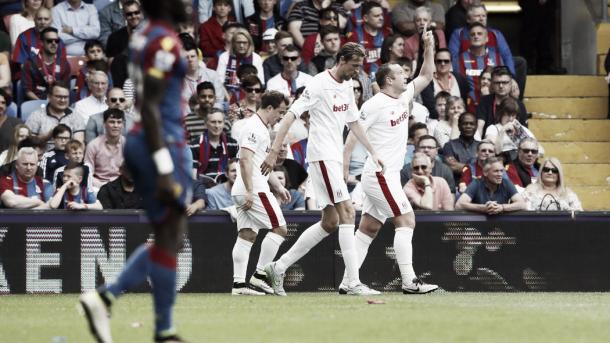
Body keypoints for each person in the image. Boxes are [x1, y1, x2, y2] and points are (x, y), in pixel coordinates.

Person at [79, 1, 193, 341]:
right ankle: (113, 300)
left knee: (169, 236)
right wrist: (163, 169)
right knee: (171, 235)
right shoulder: (164, 42)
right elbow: (154, 108)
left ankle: (158, 327)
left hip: (149, 140)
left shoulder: (145, 35)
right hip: (161, 143)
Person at [261, 43, 384, 296]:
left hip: (333, 158)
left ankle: (277, 267)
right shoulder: (318, 84)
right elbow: (290, 116)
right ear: (341, 60)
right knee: (348, 212)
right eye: (354, 65)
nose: (357, 71)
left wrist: (372, 151)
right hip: (322, 157)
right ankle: (352, 281)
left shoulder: (349, 85)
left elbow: (353, 122)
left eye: (360, 66)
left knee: (330, 222)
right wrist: (274, 150)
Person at [340, 29, 439, 295]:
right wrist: (344, 172)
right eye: (400, 72)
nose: (406, 74)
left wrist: (428, 47)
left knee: (369, 228)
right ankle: (410, 282)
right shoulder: (374, 105)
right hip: (380, 174)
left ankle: (348, 281)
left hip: (389, 175)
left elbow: (427, 75)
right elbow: (351, 139)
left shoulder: (403, 96)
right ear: (388, 80)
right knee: (406, 220)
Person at [230, 91, 290, 295]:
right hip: (253, 189)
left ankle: (238, 285)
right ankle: (260, 275)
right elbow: (245, 159)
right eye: (280, 112)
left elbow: (261, 165)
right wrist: (249, 190)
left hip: (246, 188)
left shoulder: (260, 127)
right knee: (280, 229)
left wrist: (278, 186)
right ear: (270, 108)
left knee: (247, 235)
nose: (280, 117)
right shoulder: (254, 127)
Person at [454, 22, 503, 112]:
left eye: (479, 34)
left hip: (495, 102)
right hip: (469, 103)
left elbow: (502, 80)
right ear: (469, 39)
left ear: (486, 38)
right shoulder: (460, 59)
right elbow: (459, 84)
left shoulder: (496, 57)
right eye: (473, 34)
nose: (476, 36)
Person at [456, 156, 526, 214]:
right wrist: (483, 208)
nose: (500, 174)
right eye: (496, 171)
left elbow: (522, 204)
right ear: (485, 172)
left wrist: (502, 207)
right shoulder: (476, 183)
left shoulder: (506, 183)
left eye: (501, 171)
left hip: (501, 225)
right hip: (479, 225)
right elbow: (459, 205)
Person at [26, 81, 85, 149]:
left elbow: (78, 144)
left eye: (65, 97)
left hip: (68, 156)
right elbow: (28, 142)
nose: (62, 100)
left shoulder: (76, 116)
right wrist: (47, 136)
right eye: (59, 97)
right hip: (43, 156)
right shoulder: (36, 115)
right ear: (49, 97)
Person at [476, 66, 528, 138]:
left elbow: (524, 132)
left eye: (504, 82)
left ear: (511, 83)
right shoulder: (484, 101)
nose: (501, 86)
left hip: (512, 144)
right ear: (492, 84)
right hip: (489, 144)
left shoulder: (519, 105)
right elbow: (479, 128)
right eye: (497, 83)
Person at [216, 28, 265, 103]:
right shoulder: (224, 56)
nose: (241, 45)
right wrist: (229, 99)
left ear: (249, 43)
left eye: (244, 42)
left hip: (251, 97)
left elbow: (260, 83)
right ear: (233, 43)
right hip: (228, 96)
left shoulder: (256, 58)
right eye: (238, 42)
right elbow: (219, 82)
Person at [484, 97, 540, 162]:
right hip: (501, 163)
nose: (510, 119)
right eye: (508, 115)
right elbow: (496, 151)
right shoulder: (492, 129)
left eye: (513, 115)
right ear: (501, 114)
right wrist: (502, 131)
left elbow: (540, 151)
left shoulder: (521, 129)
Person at [180, 34, 225, 115]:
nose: (190, 60)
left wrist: (210, 115)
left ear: (198, 57)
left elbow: (219, 101)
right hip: (189, 120)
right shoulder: (178, 80)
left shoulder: (212, 75)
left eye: (193, 56)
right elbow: (181, 105)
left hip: (212, 117)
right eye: (186, 58)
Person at [22, 27, 71, 100]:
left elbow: (66, 88)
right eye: (49, 41)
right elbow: (28, 91)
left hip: (59, 103)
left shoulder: (64, 63)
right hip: (37, 103)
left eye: (56, 41)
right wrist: (43, 103)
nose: (54, 43)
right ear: (41, 42)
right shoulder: (30, 64)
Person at [190, 108, 239, 180]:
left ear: (224, 124)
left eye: (220, 122)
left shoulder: (233, 144)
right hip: (203, 187)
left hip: (227, 186)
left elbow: (236, 171)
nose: (217, 126)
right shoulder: (194, 145)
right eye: (213, 122)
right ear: (206, 124)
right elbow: (193, 176)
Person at [420, 48, 469, 118]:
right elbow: (429, 107)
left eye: (446, 61)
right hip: (436, 122)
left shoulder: (460, 79)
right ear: (435, 63)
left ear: (451, 62)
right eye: (439, 61)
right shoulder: (428, 81)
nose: (443, 64)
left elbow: (464, 104)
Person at [347, 1, 390, 76]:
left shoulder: (387, 34)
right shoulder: (354, 36)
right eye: (377, 16)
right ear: (365, 18)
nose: (381, 18)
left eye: (381, 15)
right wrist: (368, 81)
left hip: (385, 78)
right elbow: (352, 63)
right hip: (362, 79)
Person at [403, 6, 446, 75]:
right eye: (418, 20)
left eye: (425, 20)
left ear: (430, 22)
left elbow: (443, 56)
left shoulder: (439, 35)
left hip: (439, 72)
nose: (422, 23)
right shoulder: (409, 42)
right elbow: (408, 67)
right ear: (414, 23)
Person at [443, 112, 480, 180]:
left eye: (472, 124)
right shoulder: (449, 145)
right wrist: (476, 168)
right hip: (456, 184)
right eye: (465, 124)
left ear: (476, 127)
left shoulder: (481, 146)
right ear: (459, 126)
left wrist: (461, 166)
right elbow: (453, 166)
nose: (468, 126)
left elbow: (487, 167)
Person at [199, 0, 234, 69]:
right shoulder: (205, 26)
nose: (222, 8)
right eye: (219, 5)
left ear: (230, 8)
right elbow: (205, 48)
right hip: (213, 61)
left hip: (232, 59)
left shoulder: (235, 25)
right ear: (213, 8)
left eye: (225, 5)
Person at [228, 75, 264, 142]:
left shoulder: (263, 107)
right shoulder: (234, 108)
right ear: (243, 90)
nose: (254, 92)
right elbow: (237, 131)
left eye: (257, 90)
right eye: (250, 90)